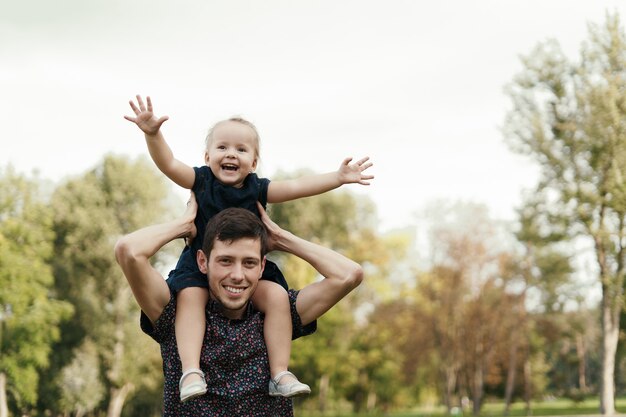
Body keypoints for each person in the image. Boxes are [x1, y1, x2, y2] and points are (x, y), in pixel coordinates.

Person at [124, 95, 374, 401]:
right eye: (222, 147)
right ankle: (190, 371)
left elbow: (296, 187)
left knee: (279, 296)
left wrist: (336, 178)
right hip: (194, 265)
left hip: (248, 262)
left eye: (241, 149)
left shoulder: (258, 188)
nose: (231, 154)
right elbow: (168, 165)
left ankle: (280, 373)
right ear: (207, 155)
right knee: (190, 297)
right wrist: (153, 135)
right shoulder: (200, 181)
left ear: (253, 162)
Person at [114, 195, 364, 416]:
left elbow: (348, 274)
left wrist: (281, 238)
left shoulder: (278, 313)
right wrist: (184, 225)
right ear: (203, 262)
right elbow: (129, 250)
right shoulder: (176, 313)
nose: (237, 274)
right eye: (225, 260)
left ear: (262, 266)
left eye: (249, 263)